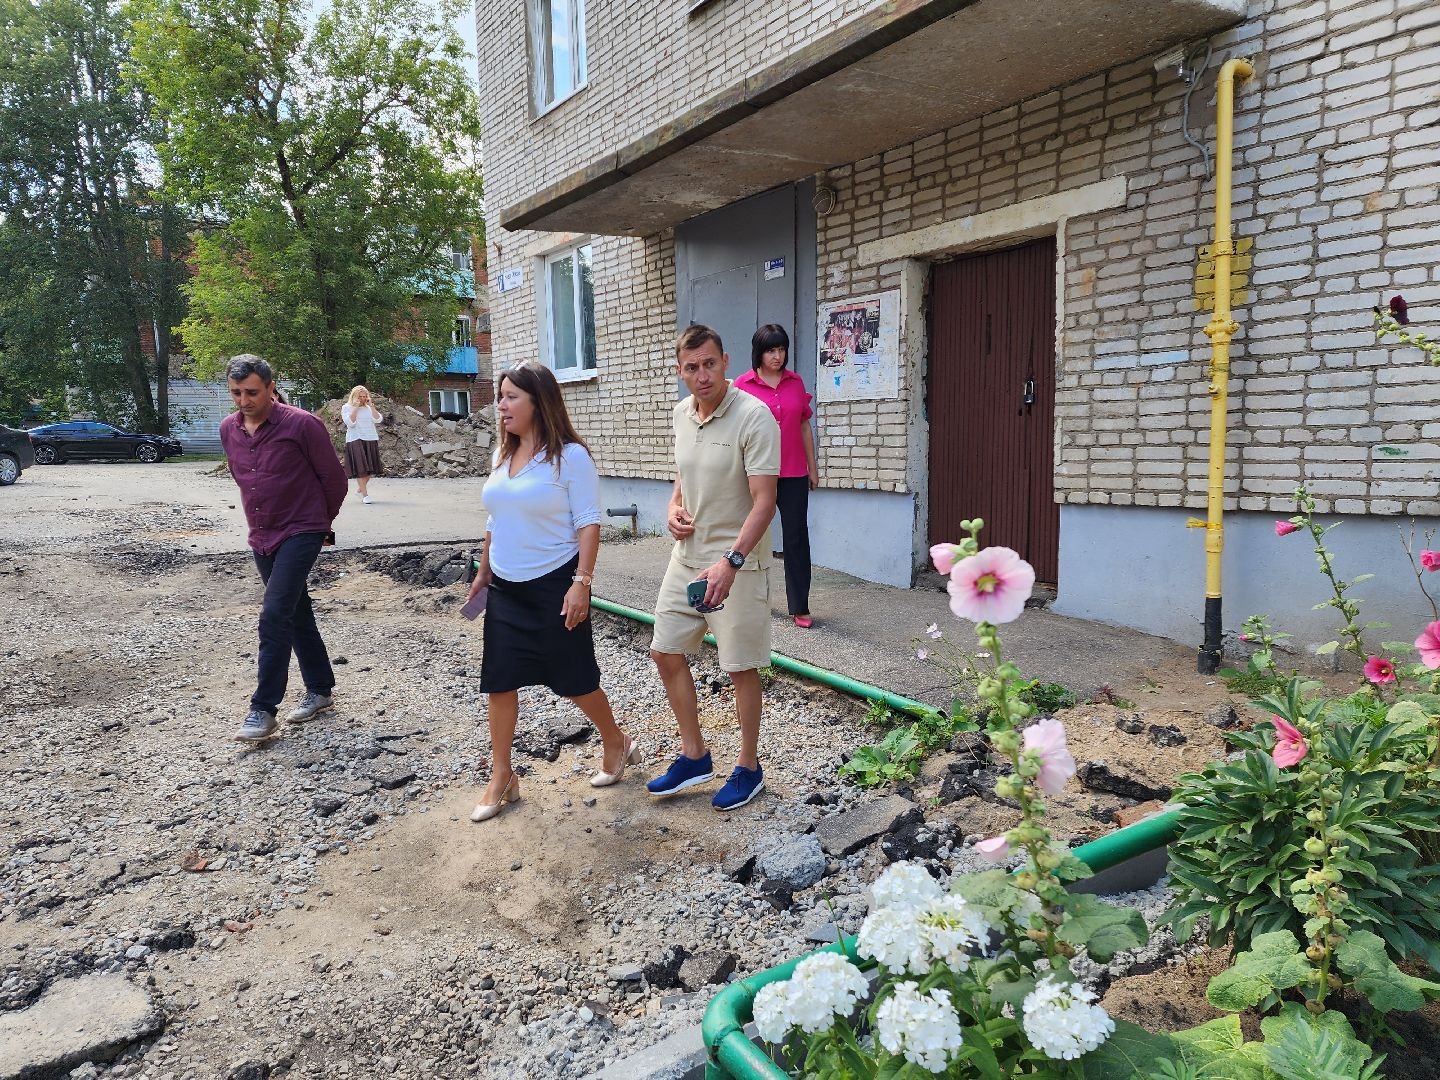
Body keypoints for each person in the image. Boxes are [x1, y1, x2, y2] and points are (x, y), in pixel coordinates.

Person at [463, 362, 636, 822]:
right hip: (504, 586)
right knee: (499, 682)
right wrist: (483, 573)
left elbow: (589, 523)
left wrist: (582, 583)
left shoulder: (571, 457)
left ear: (539, 402)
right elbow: (494, 520)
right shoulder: (503, 456)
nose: (500, 405)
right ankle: (503, 775)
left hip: (554, 585)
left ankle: (616, 740)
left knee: (574, 678)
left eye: (510, 396)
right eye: (500, 396)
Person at [648, 324, 780, 812]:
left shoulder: (755, 417)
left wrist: (732, 561)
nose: (701, 376)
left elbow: (766, 504)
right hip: (687, 558)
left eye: (709, 363)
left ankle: (748, 767)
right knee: (665, 652)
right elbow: (682, 474)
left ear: (725, 361)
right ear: (679, 370)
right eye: (690, 367)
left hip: (738, 565)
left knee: (740, 667)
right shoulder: (682, 414)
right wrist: (673, 506)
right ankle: (695, 755)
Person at [221, 355, 348, 742]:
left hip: (302, 528)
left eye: (252, 392)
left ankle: (263, 708)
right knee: (295, 611)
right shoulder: (229, 429)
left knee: (274, 613)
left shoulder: (302, 425)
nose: (244, 400)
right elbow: (242, 477)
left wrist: (320, 524)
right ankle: (321, 689)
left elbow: (334, 480)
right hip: (261, 533)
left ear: (271, 387)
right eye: (236, 393)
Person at [734, 324, 819, 628]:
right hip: (756, 474)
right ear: (759, 351)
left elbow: (804, 425)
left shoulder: (795, 382)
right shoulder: (742, 386)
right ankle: (746, 600)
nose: (778, 356)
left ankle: (800, 606)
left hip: (794, 473)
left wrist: (813, 466)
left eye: (782, 349)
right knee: (750, 537)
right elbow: (735, 431)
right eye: (771, 350)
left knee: (797, 539)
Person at [340, 386, 383, 504]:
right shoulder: (346, 407)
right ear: (354, 396)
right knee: (361, 469)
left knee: (371, 470)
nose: (363, 399)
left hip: (370, 438)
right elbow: (350, 423)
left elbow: (378, 419)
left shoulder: (369, 408)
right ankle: (365, 495)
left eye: (365, 396)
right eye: (360, 396)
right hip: (355, 439)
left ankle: (360, 489)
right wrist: (355, 408)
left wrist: (372, 406)